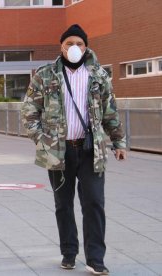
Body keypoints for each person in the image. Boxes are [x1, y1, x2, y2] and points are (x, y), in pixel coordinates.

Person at [22, 24, 127, 275]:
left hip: (92, 151)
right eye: (69, 43)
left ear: (86, 46)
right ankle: (69, 253)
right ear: (61, 46)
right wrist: (41, 140)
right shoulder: (45, 75)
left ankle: (95, 259)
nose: (74, 48)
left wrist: (119, 143)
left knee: (94, 203)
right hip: (59, 152)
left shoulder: (99, 76)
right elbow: (29, 112)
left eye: (79, 43)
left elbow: (110, 112)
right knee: (63, 204)